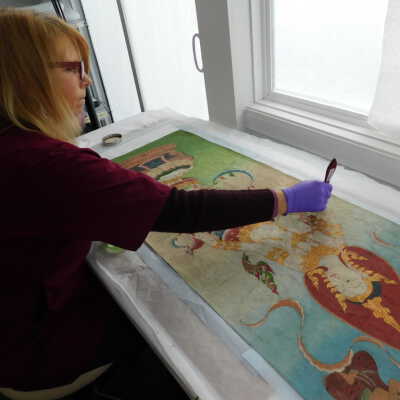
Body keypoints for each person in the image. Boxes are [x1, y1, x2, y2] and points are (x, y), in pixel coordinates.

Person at [0, 8, 333, 400]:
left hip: (13, 329)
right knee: (175, 321)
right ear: (28, 77)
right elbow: (179, 209)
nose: (87, 81)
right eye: (74, 69)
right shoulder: (48, 164)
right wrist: (284, 199)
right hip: (36, 352)